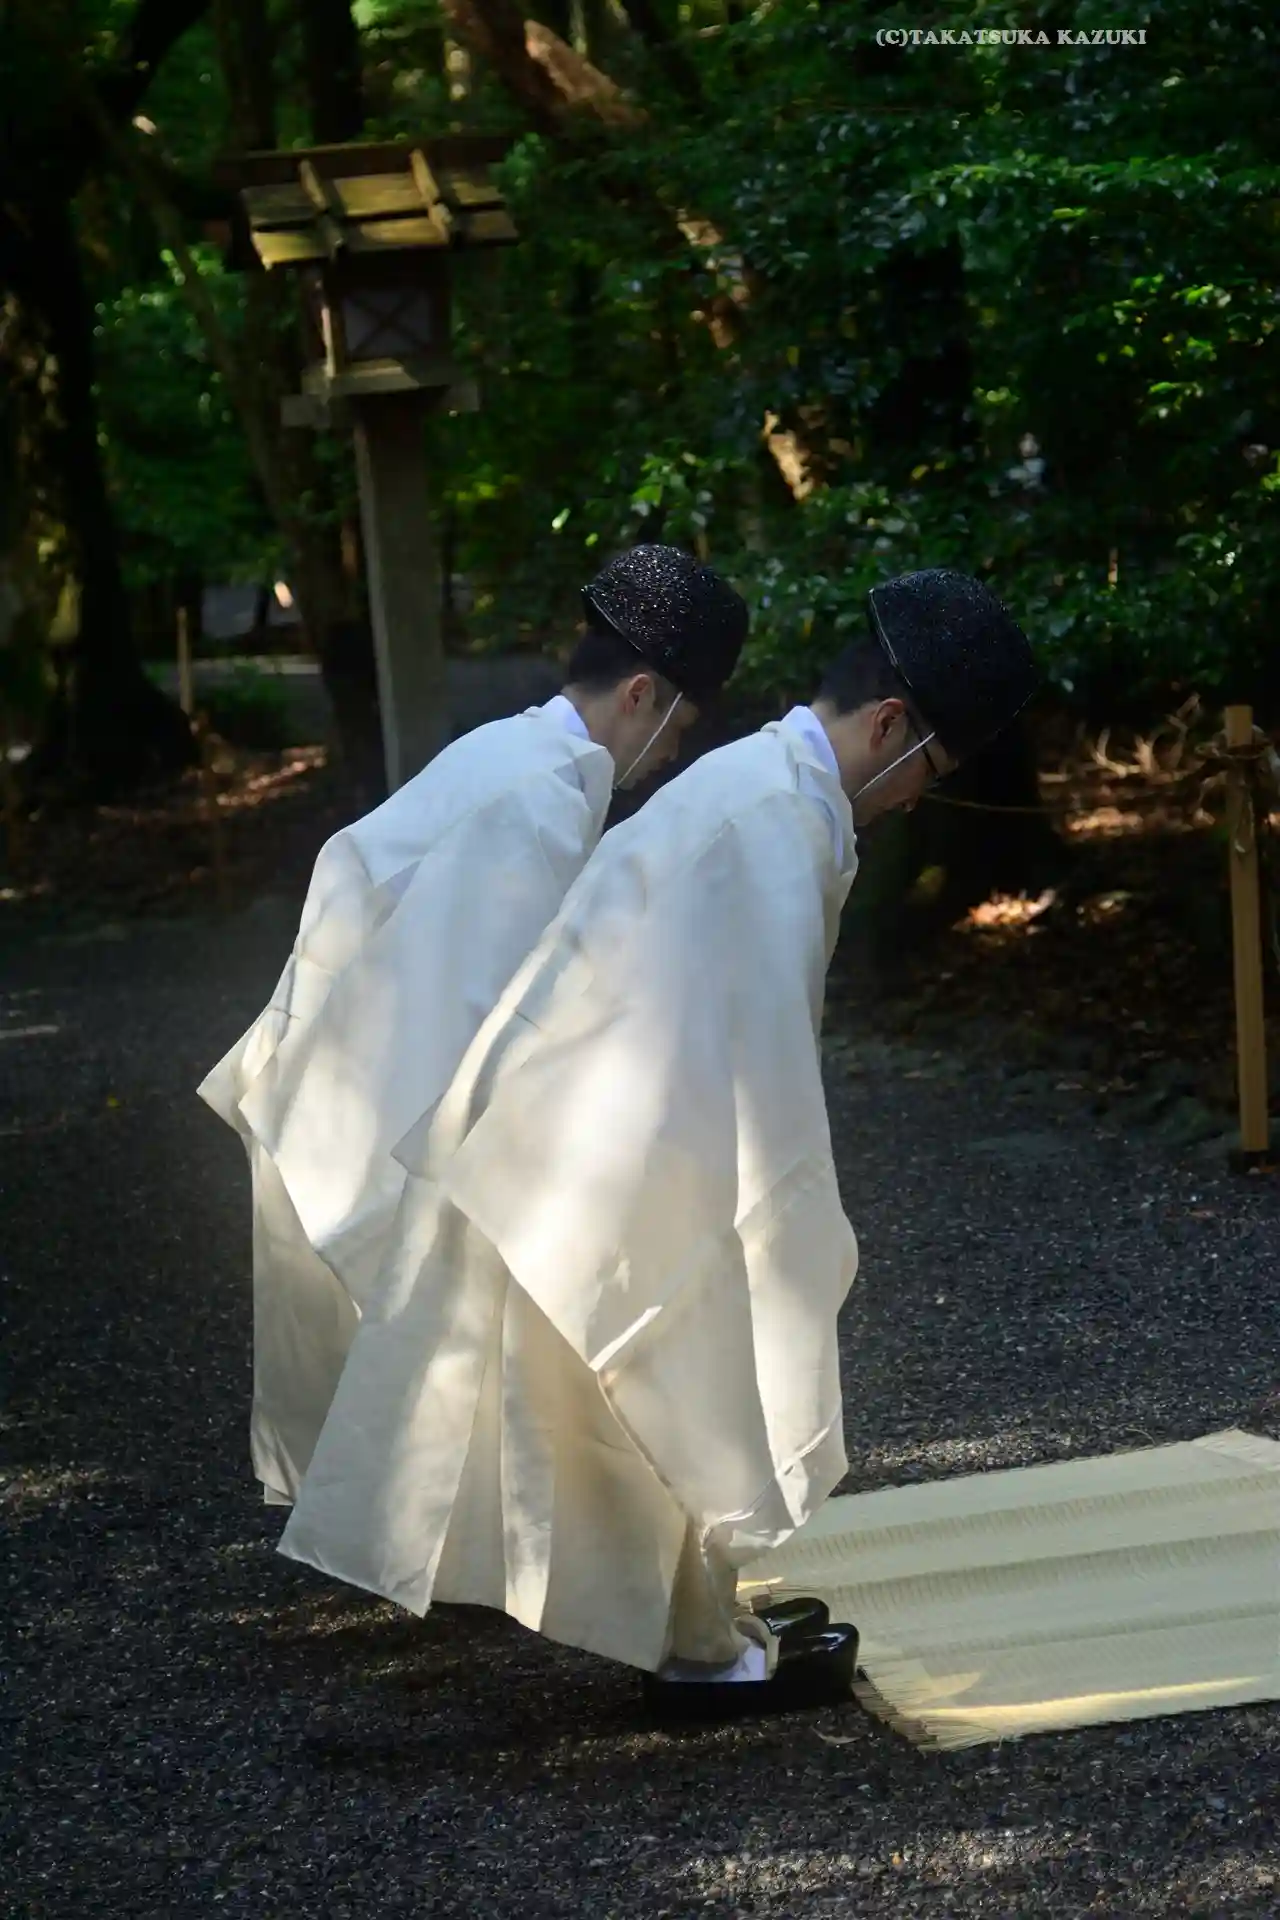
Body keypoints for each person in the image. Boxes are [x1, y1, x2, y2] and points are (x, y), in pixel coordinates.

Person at [276, 568, 1038, 1718]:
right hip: (611, 1129)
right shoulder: (771, 817)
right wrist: (793, 1216)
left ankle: (701, 1621)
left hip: (596, 1114)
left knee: (654, 1376)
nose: (918, 800)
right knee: (667, 1366)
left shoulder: (769, 788)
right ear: (889, 725)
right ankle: (695, 1656)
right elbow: (761, 1053)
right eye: (931, 768)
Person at [198, 546, 748, 1510]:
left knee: (394, 1422)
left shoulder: (516, 753)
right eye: (681, 729)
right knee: (450, 1378)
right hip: (370, 1095)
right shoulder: (537, 797)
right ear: (641, 694)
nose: (672, 757)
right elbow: (481, 1018)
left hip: (337, 1071)